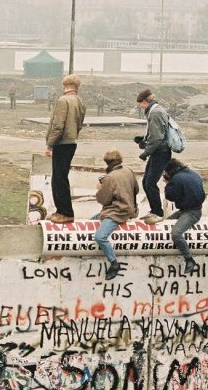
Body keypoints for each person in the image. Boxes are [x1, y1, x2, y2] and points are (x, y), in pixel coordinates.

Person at [45, 75, 87, 224]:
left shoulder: (63, 101)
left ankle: (65, 212)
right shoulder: (80, 101)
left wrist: (50, 144)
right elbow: (79, 123)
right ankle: (61, 211)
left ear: (64, 85)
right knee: (62, 177)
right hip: (72, 142)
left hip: (61, 143)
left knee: (58, 179)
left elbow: (58, 125)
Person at [93, 149, 139, 281]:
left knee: (100, 237)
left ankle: (114, 263)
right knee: (92, 220)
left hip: (116, 213)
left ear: (107, 162)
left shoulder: (109, 178)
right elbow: (136, 189)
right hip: (130, 210)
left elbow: (103, 200)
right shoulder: (129, 171)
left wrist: (100, 188)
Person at [134, 89, 171, 225]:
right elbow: (154, 133)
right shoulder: (155, 110)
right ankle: (154, 210)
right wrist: (143, 140)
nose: (140, 106)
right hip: (158, 152)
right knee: (146, 182)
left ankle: (158, 213)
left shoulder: (155, 112)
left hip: (160, 152)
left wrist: (145, 153)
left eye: (140, 103)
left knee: (150, 183)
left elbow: (156, 138)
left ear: (145, 101)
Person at [163, 158, 205, 274]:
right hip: (192, 209)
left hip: (191, 212)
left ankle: (189, 259)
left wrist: (167, 183)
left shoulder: (176, 178)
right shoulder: (193, 173)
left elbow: (170, 196)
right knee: (166, 222)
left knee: (176, 233)